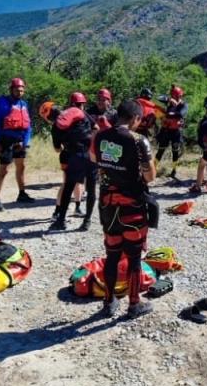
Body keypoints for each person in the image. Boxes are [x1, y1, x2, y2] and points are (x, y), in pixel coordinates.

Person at [94, 100, 156, 320]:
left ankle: (108, 302)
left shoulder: (100, 136)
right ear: (135, 118)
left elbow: (94, 159)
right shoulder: (138, 140)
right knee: (134, 258)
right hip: (132, 207)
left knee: (112, 256)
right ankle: (134, 305)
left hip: (108, 207)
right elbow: (151, 176)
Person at [49, 93, 96, 232]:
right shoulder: (84, 114)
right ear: (83, 104)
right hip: (91, 155)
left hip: (75, 156)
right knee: (91, 188)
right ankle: (87, 221)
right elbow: (97, 128)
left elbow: (57, 149)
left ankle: (61, 221)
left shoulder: (57, 125)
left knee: (68, 187)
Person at [0, 77, 33, 212]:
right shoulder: (1, 103)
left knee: (21, 166)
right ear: (11, 90)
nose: (19, 93)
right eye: (17, 90)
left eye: (22, 90)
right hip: (6, 140)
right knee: (4, 169)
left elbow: (28, 125)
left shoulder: (23, 104)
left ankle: (22, 193)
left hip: (20, 141)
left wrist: (26, 142)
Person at [155, 84, 188, 179]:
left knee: (175, 151)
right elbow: (159, 97)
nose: (177, 97)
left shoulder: (183, 105)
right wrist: (169, 100)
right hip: (166, 130)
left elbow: (180, 114)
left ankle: (174, 170)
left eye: (178, 96)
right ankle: (153, 168)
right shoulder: (169, 102)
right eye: (174, 96)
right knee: (160, 150)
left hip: (176, 132)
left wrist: (168, 114)